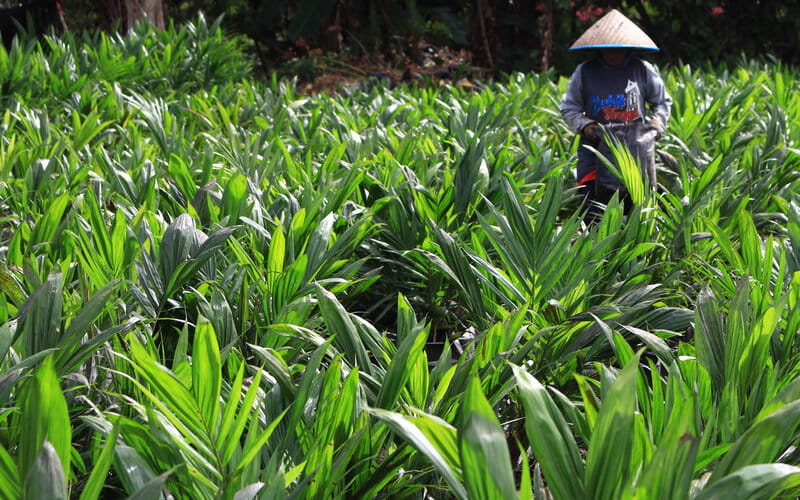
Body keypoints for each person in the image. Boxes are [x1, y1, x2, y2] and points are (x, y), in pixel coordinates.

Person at [560, 9, 672, 223]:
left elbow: (662, 102)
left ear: (627, 47)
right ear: (599, 48)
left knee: (636, 213)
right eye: (608, 48)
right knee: (593, 211)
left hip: (635, 153)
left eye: (618, 48)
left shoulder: (642, 70)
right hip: (595, 152)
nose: (614, 53)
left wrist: (657, 123)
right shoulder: (585, 72)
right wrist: (586, 125)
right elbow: (569, 108)